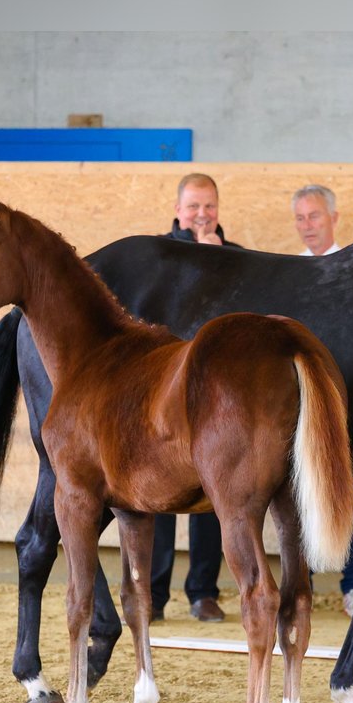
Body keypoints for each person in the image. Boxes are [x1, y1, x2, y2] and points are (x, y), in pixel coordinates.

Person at [150, 173, 238, 623]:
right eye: (193, 207)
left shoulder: (237, 257)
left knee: (210, 488)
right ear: (178, 208)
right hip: (165, 389)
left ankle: (203, 591)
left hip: (212, 393)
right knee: (160, 489)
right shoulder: (158, 256)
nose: (201, 215)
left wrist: (219, 264)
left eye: (209, 207)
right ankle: (153, 593)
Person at [291, 184, 353, 617]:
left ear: (333, 218)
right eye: (300, 218)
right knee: (297, 490)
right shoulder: (287, 273)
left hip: (340, 392)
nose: (307, 225)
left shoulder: (351, 270)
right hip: (295, 398)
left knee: (346, 486)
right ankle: (301, 583)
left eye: (314, 216)